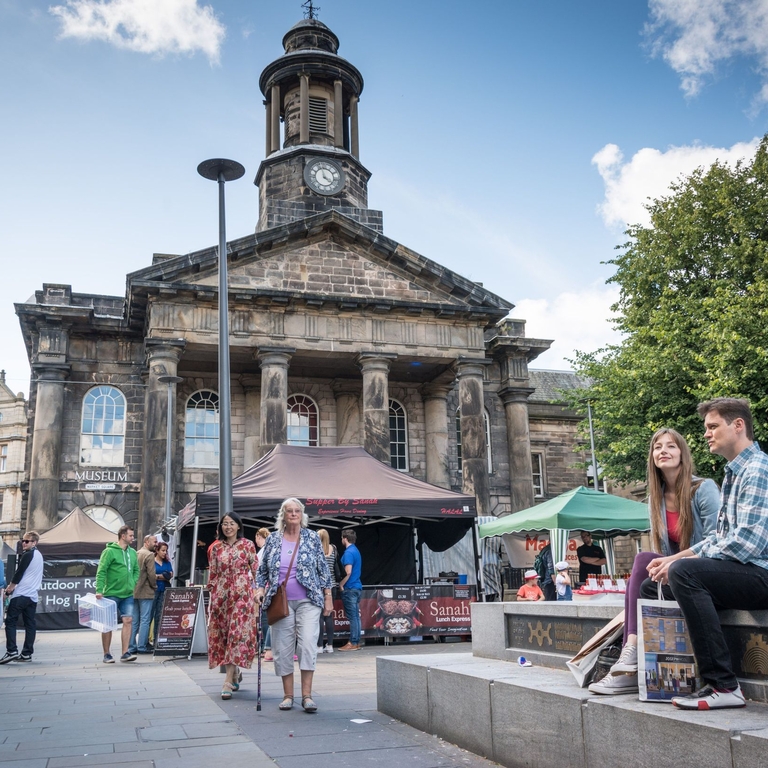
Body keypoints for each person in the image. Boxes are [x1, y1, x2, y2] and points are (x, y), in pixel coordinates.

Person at [648, 399, 768, 710]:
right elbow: (719, 536)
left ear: (737, 426)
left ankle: (724, 685)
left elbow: (746, 545)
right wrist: (674, 558)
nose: (706, 434)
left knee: (685, 575)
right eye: (706, 428)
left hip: (761, 573)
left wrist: (683, 564)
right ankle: (673, 674)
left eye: (712, 426)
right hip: (745, 571)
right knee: (656, 582)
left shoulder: (756, 470)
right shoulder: (734, 472)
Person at [589, 427, 719, 696]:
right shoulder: (655, 499)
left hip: (705, 571)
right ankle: (630, 654)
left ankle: (629, 657)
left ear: (682, 454)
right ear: (652, 457)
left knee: (646, 561)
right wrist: (666, 564)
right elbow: (659, 551)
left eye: (671, 446)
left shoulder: (703, 489)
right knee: (643, 558)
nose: (663, 451)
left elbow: (716, 542)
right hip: (676, 572)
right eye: (657, 447)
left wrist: (672, 560)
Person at [255, 498, 332, 713]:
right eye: (289, 511)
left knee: (307, 644)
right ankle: (288, 695)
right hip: (281, 602)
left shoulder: (311, 538)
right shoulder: (273, 540)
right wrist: (259, 589)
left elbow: (322, 569)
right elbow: (261, 572)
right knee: (282, 649)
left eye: (297, 510)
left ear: (302, 514)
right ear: (283, 514)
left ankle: (307, 696)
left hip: (309, 599)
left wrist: (328, 595)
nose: (293, 514)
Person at [207, 512, 259, 700]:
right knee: (225, 636)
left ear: (238, 526)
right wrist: (211, 599)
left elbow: (256, 571)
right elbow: (212, 575)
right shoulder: (215, 548)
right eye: (224, 524)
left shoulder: (248, 545)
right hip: (221, 596)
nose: (227, 527)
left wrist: (258, 593)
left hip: (242, 595)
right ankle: (235, 671)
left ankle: (228, 680)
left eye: (231, 523)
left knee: (236, 634)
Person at [95, 525, 139, 663]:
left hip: (127, 594)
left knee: (128, 620)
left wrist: (133, 582)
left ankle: (125, 652)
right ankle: (106, 654)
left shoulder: (132, 552)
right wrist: (99, 589)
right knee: (108, 624)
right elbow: (101, 571)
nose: (133, 538)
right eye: (131, 535)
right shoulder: (109, 552)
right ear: (123, 536)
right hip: (111, 593)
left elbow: (137, 570)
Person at [0, 531, 43, 663]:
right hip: (32, 596)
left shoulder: (28, 555)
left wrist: (8, 590)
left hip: (21, 594)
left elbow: (19, 573)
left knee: (10, 621)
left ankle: (11, 650)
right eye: (22, 541)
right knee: (30, 623)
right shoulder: (39, 555)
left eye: (26, 541)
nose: (23, 543)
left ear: (34, 542)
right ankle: (26, 653)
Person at [128, 534, 156, 655]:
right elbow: (151, 574)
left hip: (133, 591)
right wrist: (154, 586)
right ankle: (142, 646)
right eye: (154, 542)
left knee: (134, 621)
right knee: (145, 620)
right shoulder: (149, 555)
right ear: (146, 542)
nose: (156, 544)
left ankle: (131, 646)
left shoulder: (135, 553)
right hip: (145, 591)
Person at [338, 527, 363, 651]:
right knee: (356, 617)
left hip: (350, 587)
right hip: (357, 586)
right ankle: (356, 641)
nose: (341, 540)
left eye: (342, 538)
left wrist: (341, 585)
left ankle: (353, 642)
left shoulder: (348, 553)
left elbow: (348, 572)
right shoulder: (356, 551)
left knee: (353, 617)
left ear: (345, 538)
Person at [317, 528, 339, 653]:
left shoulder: (317, 550)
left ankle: (319, 646)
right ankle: (330, 645)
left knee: (319, 617)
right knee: (329, 616)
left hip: (320, 586)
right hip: (332, 586)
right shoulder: (334, 549)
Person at [254, 527, 273, 661]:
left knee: (266, 619)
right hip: (267, 588)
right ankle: (266, 647)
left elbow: (259, 571)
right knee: (267, 619)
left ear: (259, 537)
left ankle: (266, 648)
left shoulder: (263, 551)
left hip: (266, 589)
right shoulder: (269, 549)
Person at [151, 540, 173, 646]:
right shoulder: (152, 561)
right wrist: (162, 576)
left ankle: (157, 639)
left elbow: (171, 574)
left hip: (164, 590)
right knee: (150, 614)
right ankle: (146, 640)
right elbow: (151, 575)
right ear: (157, 550)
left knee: (160, 615)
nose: (164, 553)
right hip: (154, 590)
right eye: (163, 550)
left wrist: (157, 576)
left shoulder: (167, 563)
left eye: (166, 551)